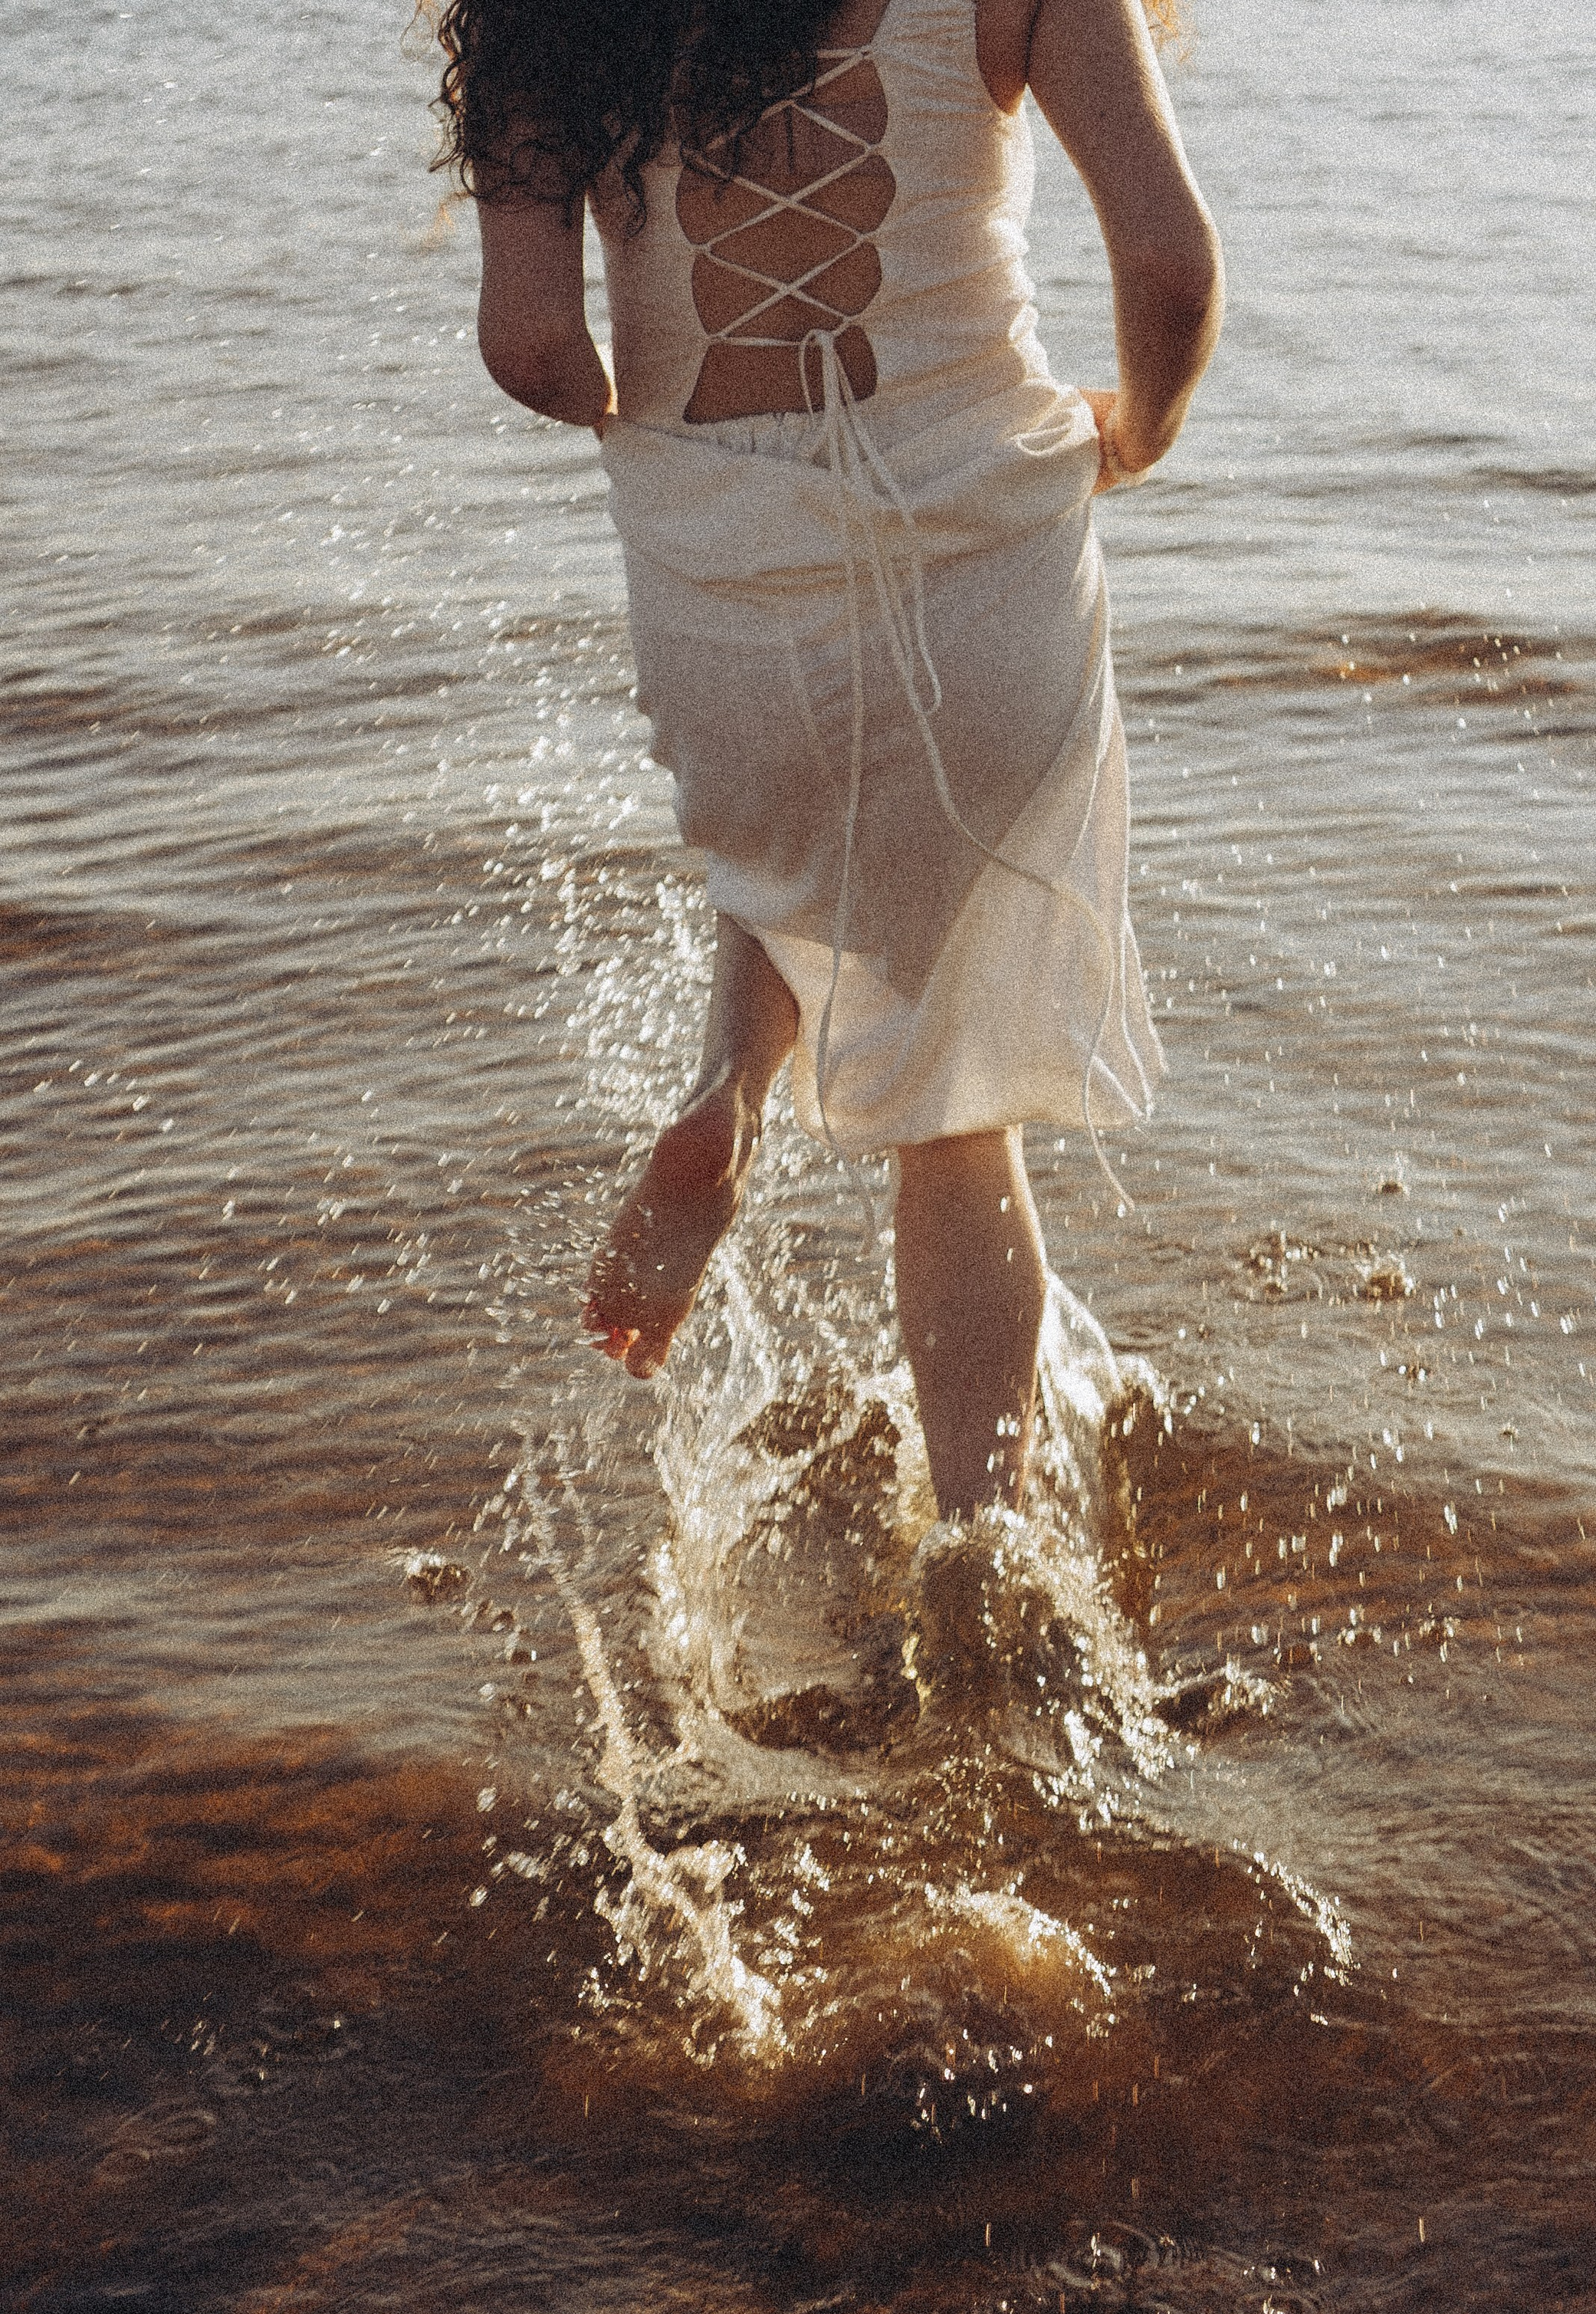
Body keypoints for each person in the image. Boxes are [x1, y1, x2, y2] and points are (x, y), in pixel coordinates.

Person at [436, 0, 1220, 1514]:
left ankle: (728, 1097)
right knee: (950, 1114)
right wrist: (1140, 434)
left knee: (805, 823)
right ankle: (987, 1551)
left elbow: (531, 344)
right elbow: (1169, 264)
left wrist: (663, 448)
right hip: (978, 550)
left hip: (724, 574)